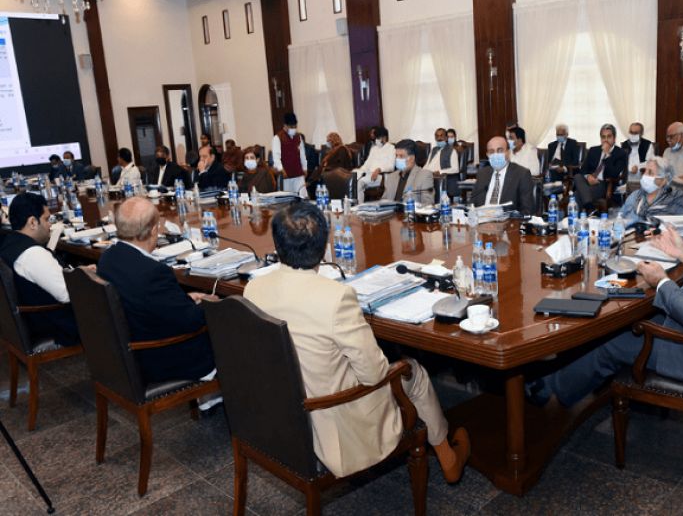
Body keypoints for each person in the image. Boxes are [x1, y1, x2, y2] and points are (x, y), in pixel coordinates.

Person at [243, 201, 470, 481]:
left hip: (283, 416)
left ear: (277, 245)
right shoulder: (335, 297)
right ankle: (449, 459)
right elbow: (374, 374)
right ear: (323, 246)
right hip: (334, 423)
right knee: (412, 370)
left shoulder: (254, 288)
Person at [529, 160, 683, 408]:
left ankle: (550, 394)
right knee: (619, 322)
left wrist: (661, 281)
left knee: (608, 339)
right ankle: (556, 375)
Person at [97, 197, 217, 385]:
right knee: (234, 323)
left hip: (128, 352)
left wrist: (184, 299)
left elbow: (149, 302)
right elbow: (191, 320)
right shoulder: (152, 272)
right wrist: (210, 304)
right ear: (153, 230)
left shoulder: (108, 258)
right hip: (161, 359)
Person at [0, 193, 79, 346]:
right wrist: (88, 278)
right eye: (47, 219)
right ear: (32, 222)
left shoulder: (8, 244)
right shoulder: (33, 254)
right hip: (57, 332)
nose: (50, 225)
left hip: (30, 327)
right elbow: (69, 294)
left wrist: (78, 273)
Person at [470, 136, 535, 216]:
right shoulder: (482, 173)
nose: (496, 154)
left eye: (500, 150)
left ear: (508, 152)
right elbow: (472, 204)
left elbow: (527, 211)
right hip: (481, 219)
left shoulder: (522, 174)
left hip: (507, 221)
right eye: (491, 151)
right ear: (487, 155)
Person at [618, 157, 683, 226]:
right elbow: (620, 218)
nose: (645, 175)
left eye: (650, 173)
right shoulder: (635, 195)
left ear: (664, 180)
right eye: (645, 171)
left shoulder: (675, 198)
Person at [572, 124, 627, 210]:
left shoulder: (621, 153)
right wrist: (588, 177)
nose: (606, 140)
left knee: (576, 195)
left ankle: (587, 210)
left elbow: (614, 173)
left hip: (604, 185)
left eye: (609, 136)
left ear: (614, 138)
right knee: (577, 176)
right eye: (603, 137)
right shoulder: (593, 150)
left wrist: (607, 154)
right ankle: (590, 209)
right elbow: (583, 170)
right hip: (587, 183)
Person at [382, 139, 434, 206]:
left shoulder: (424, 175)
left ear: (412, 158)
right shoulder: (391, 177)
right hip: (391, 212)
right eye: (396, 156)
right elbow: (383, 202)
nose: (397, 159)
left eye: (401, 156)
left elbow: (428, 205)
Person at [270, 112, 308, 197]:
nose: (293, 129)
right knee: (288, 198)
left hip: (298, 173)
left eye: (295, 127)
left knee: (302, 197)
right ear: (285, 125)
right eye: (291, 127)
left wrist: (305, 168)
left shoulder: (298, 137)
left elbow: (302, 154)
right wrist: (281, 169)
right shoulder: (277, 138)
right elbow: (276, 156)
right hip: (286, 174)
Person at [355, 126, 395, 203]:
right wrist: (359, 171)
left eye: (378, 137)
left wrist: (379, 169)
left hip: (381, 176)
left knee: (359, 183)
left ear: (384, 138)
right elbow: (367, 164)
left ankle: (359, 206)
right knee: (352, 179)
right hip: (369, 174)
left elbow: (391, 166)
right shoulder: (374, 149)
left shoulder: (391, 148)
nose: (376, 140)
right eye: (376, 138)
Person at [620, 122, 655, 187]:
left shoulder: (648, 144)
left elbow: (650, 163)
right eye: (631, 132)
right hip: (626, 179)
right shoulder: (624, 145)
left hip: (642, 178)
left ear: (641, 134)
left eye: (635, 133)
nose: (633, 135)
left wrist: (638, 167)